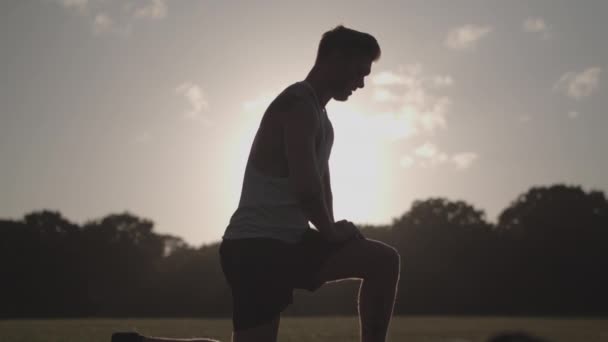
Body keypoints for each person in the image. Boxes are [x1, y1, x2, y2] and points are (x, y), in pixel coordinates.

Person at [219, 25, 401, 342]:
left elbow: (321, 185)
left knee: (382, 261)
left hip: (289, 242)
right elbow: (306, 188)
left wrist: (331, 228)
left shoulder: (322, 119)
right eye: (359, 72)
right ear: (335, 58)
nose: (361, 84)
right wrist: (330, 233)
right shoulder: (298, 105)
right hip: (256, 249)